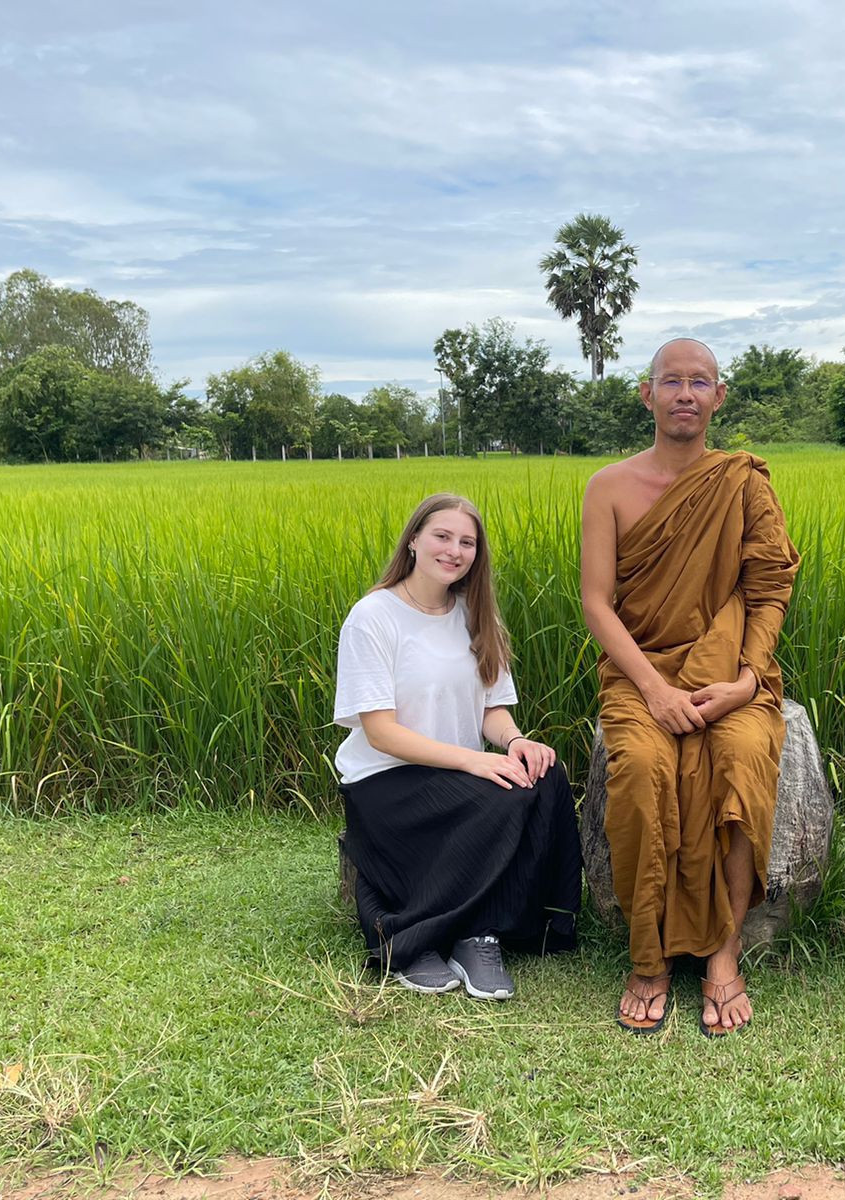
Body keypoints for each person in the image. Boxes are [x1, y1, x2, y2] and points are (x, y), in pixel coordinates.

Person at [580, 338, 800, 1036]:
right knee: (643, 767)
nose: (684, 393)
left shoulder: (743, 482)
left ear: (718, 397)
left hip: (730, 674)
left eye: (698, 382)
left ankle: (723, 953)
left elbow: (768, 590)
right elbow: (596, 603)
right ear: (646, 395)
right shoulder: (608, 486)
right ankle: (648, 959)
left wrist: (746, 682)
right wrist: (653, 690)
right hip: (639, 673)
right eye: (670, 381)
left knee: (740, 759)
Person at [333, 493, 581, 999]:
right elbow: (380, 731)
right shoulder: (373, 616)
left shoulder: (474, 614)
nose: (455, 550)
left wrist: (515, 742)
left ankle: (481, 934)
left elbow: (492, 709)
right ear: (415, 541)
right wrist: (476, 761)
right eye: (442, 536)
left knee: (544, 777)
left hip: (458, 774)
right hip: (386, 779)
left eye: (467, 542)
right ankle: (410, 936)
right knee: (495, 796)